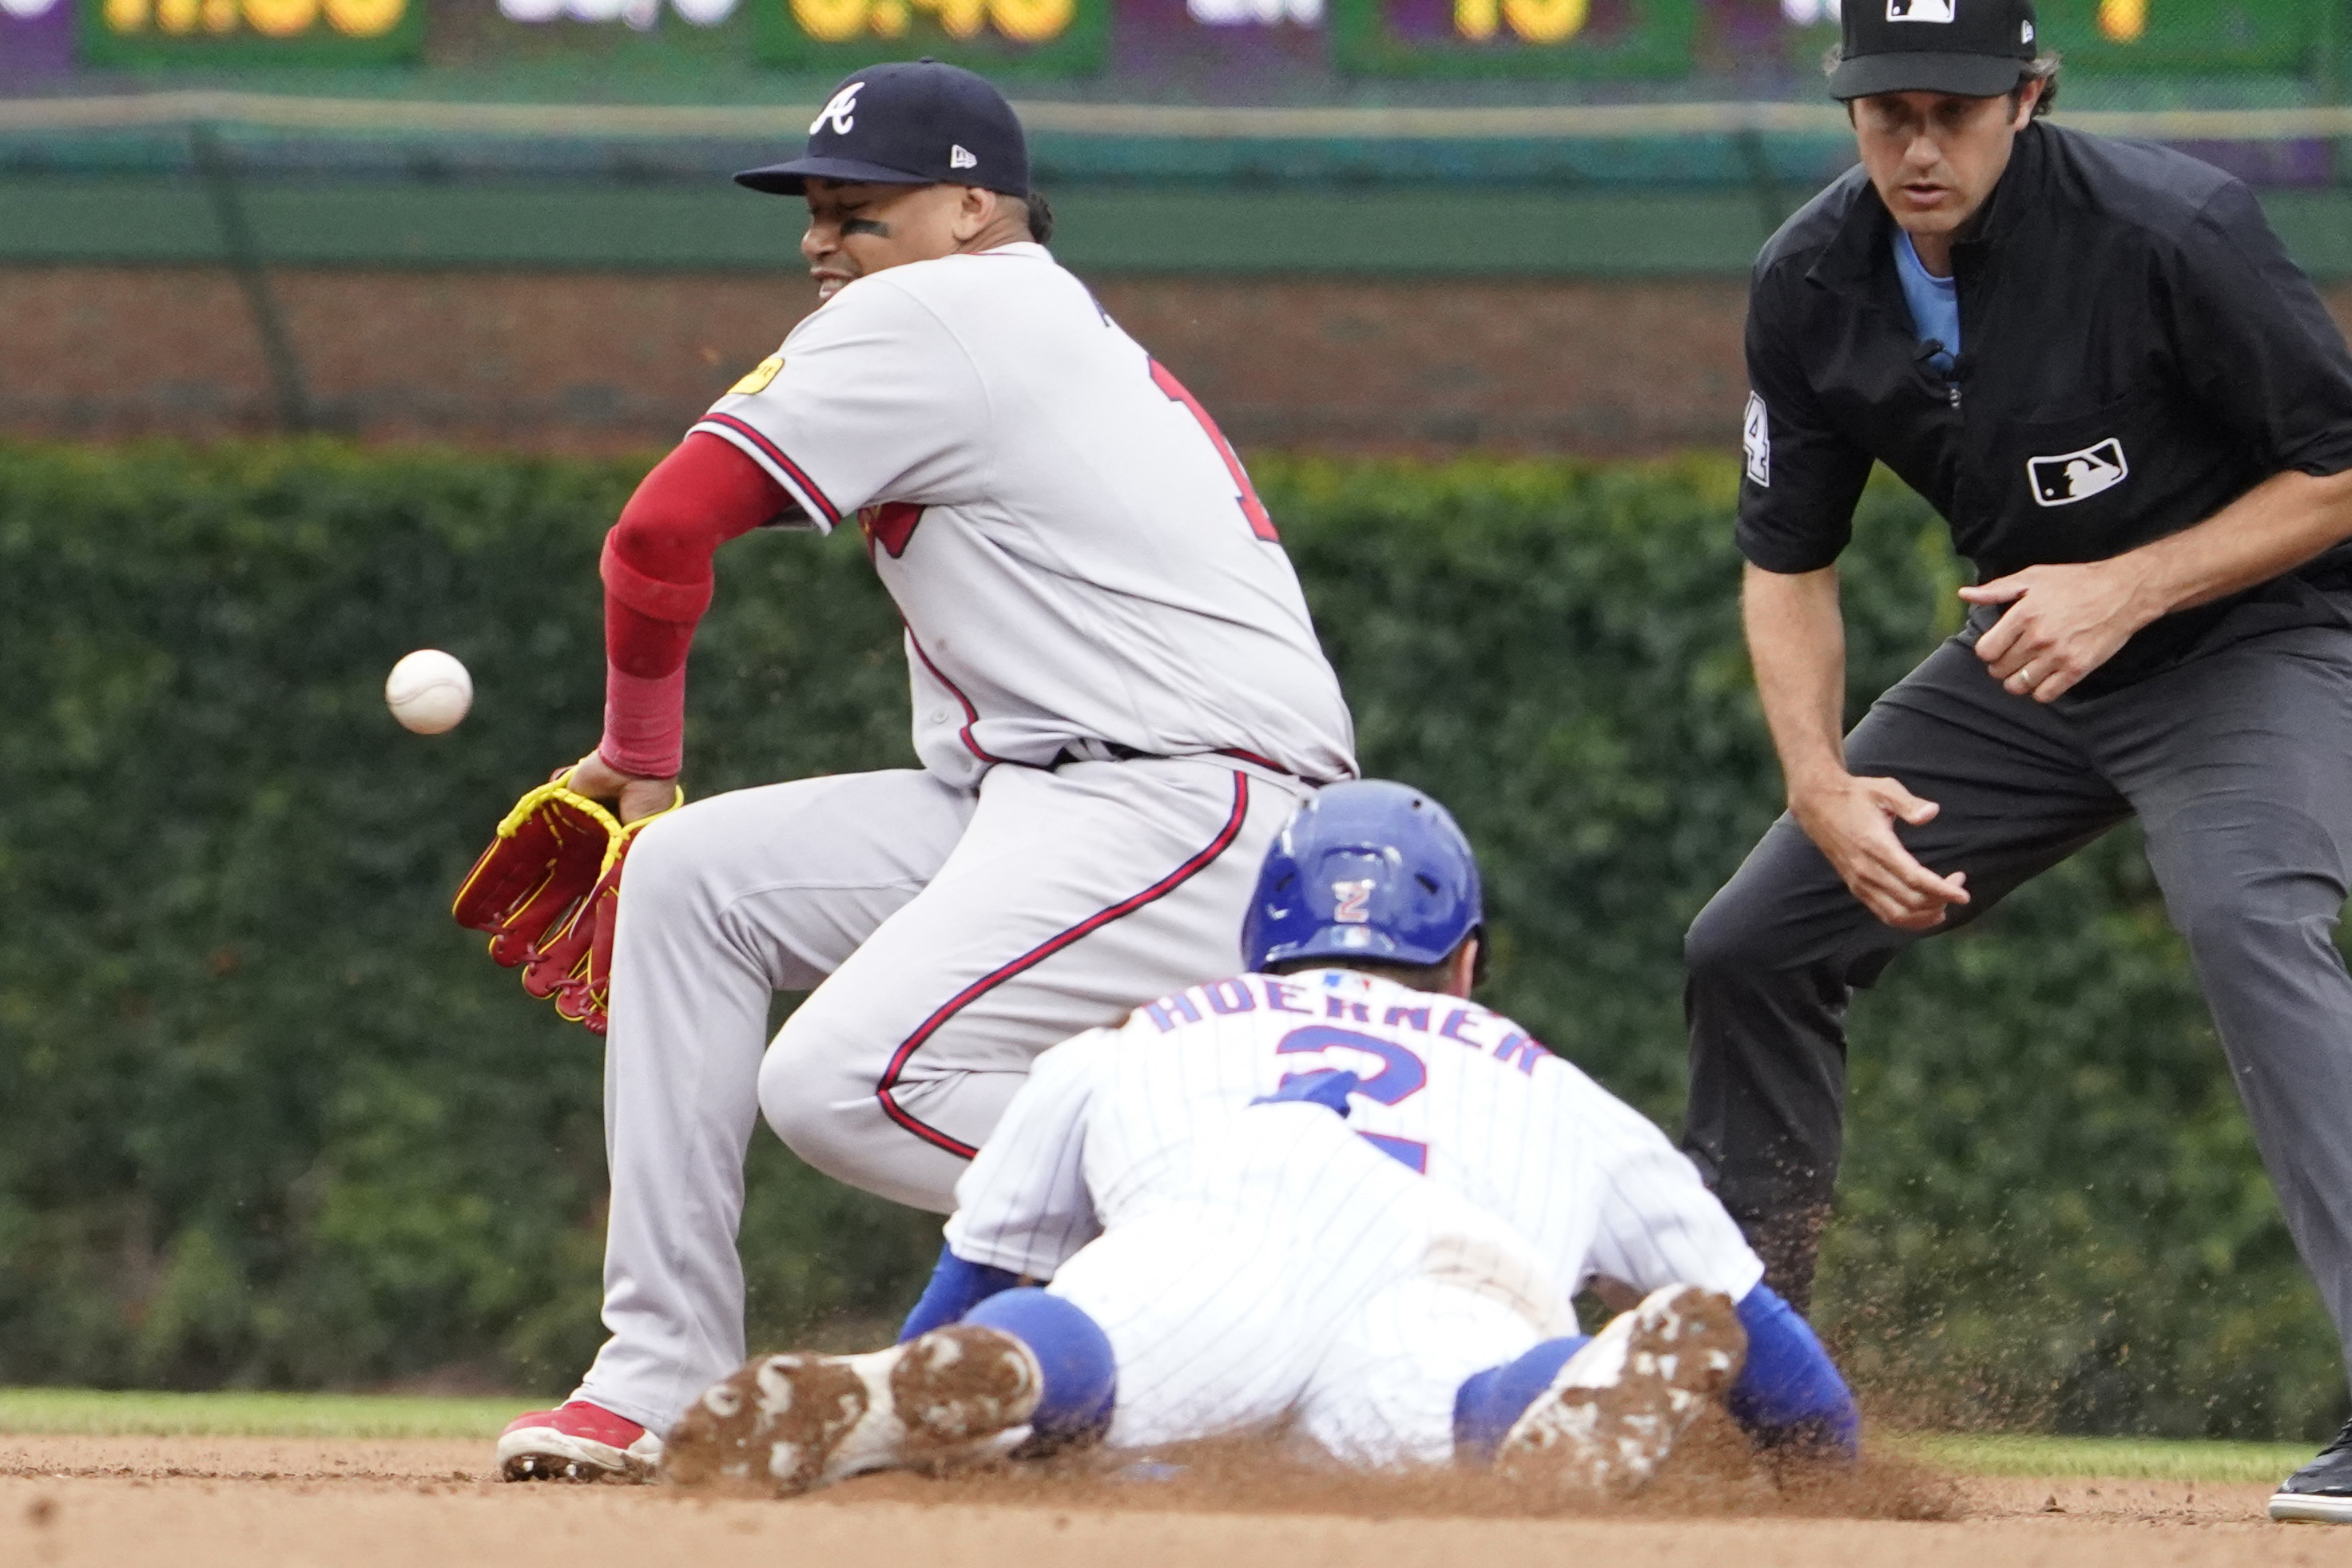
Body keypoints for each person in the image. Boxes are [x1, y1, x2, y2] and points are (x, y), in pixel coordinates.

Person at [495, 58, 1356, 1483]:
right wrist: (655, 809)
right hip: (1060, 789)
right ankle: (656, 1374)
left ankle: (1271, 1270)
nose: (819, 239)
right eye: (812, 210)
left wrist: (637, 763)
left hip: (1183, 799)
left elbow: (657, 538)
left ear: (971, 208)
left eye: (856, 208)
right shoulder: (1004, 319)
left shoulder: (944, 307)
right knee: (694, 882)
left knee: (844, 1078)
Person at [1677, 0, 2352, 1523]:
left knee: (2254, 926)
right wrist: (1819, 782)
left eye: (1956, 109)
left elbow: (2339, 474)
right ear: (1847, 109)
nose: (1919, 143)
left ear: (2029, 97)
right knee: (1753, 944)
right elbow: (1789, 564)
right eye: (1885, 109)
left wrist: (2133, 584)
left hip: (2258, 648)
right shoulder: (1811, 277)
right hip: (2031, 670)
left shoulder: (2175, 228)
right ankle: (1744, 1400)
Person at [662, 782, 1856, 1493]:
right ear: (1468, 962)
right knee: (1457, 1406)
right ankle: (1558, 1389)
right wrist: (1834, 1488)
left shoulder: (1139, 1041)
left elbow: (971, 1281)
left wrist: (919, 1383)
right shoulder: (1567, 1098)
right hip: (1456, 1267)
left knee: (1101, 1336)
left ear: (1258, 942)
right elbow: (1791, 1376)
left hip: (1223, 1217)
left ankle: (982, 1382)